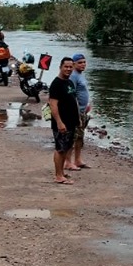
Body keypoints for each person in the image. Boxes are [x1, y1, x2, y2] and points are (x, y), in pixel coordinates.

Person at [46, 57, 80, 185]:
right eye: (66, 66)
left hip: (71, 122)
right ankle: (58, 176)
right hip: (62, 123)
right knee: (60, 149)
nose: (68, 69)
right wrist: (59, 122)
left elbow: (73, 100)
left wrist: (78, 118)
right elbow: (53, 105)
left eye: (71, 67)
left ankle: (61, 172)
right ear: (60, 67)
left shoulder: (69, 82)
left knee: (66, 147)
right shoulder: (56, 84)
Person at [68, 53, 92, 171]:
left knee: (80, 137)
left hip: (83, 111)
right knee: (72, 136)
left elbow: (84, 90)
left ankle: (78, 160)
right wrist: (76, 111)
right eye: (80, 62)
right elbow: (72, 94)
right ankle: (68, 162)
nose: (83, 64)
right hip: (75, 112)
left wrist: (88, 104)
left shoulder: (81, 75)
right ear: (74, 64)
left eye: (84, 62)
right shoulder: (73, 76)